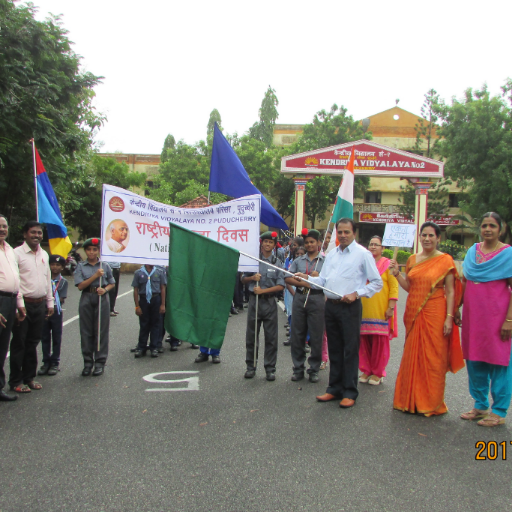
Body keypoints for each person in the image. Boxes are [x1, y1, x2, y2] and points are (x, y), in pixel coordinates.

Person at [296, 218, 382, 408]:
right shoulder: (332, 255)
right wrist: (307, 278)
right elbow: (324, 281)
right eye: (340, 232)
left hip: (350, 307)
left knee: (350, 350)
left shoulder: (363, 254)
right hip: (331, 306)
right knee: (334, 348)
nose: (343, 236)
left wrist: (356, 294)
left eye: (346, 232)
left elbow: (377, 282)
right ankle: (334, 388)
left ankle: (350, 391)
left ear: (354, 233)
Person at [390, 221, 463, 416]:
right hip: (414, 313)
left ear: (438, 238)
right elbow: (409, 287)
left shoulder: (445, 260)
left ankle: (431, 402)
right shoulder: (413, 259)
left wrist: (449, 318)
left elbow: (450, 290)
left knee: (433, 358)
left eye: (431, 235)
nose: (427, 239)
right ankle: (410, 400)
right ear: (419, 237)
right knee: (412, 355)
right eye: (424, 235)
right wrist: (397, 274)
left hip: (436, 313)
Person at [458, 212, 512, 427]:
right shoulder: (472, 251)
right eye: (484, 225)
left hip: (497, 318)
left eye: (492, 226)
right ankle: (480, 405)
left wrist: (509, 319)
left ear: (501, 229)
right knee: (474, 359)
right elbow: (465, 280)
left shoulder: (508, 254)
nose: (487, 229)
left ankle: (498, 411)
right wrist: (457, 308)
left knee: (499, 361)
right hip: (474, 317)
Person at [9, 221, 54, 394]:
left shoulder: (43, 253)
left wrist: (50, 302)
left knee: (33, 343)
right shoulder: (16, 254)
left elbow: (47, 279)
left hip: (40, 304)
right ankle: (15, 381)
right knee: (19, 342)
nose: (37, 235)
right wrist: (19, 304)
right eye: (33, 232)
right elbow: (16, 282)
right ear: (25, 234)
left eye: (39, 233)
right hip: (23, 305)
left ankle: (29, 378)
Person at [242, 231, 285, 381]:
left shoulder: (277, 262)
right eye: (265, 241)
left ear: (274, 245)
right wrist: (252, 278)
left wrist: (264, 290)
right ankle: (250, 366)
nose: (267, 244)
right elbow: (242, 279)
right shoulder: (253, 260)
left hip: (269, 302)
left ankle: (270, 368)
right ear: (261, 243)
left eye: (270, 242)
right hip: (255, 302)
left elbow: (281, 285)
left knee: (271, 337)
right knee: (252, 335)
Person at [285, 228, 325, 383]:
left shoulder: (325, 262)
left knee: (316, 336)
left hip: (317, 298)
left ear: (318, 243)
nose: (309, 245)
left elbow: (330, 281)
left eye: (312, 242)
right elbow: (287, 277)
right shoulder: (298, 261)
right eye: (307, 242)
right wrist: (306, 281)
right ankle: (298, 368)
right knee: (297, 335)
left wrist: (318, 278)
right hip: (300, 297)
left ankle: (314, 369)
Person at [358, 236, 398, 385]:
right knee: (364, 341)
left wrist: (391, 307)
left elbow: (394, 287)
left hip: (380, 310)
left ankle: (378, 372)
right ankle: (366, 370)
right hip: (363, 308)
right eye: (371, 244)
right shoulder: (364, 264)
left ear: (382, 248)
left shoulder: (388, 265)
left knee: (379, 342)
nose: (373, 247)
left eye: (376, 245)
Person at [74, 238, 115, 376]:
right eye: (89, 249)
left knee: (101, 331)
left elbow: (111, 282)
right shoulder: (81, 266)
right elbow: (80, 286)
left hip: (101, 298)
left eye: (94, 249)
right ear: (85, 251)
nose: (91, 252)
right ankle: (87, 363)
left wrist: (105, 290)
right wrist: (96, 275)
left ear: (98, 251)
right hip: (87, 297)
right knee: (86, 331)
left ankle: (99, 362)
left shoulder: (105, 265)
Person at [0, 214, 25, 401]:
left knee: (3, 346)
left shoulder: (9, 249)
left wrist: (19, 304)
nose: (2, 229)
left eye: (4, 226)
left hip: (10, 300)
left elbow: (16, 279)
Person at [38, 255, 68, 376]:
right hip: (43, 310)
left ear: (62, 267)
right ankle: (46, 361)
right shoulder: (44, 279)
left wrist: (52, 302)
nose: (55, 267)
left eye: (58, 265)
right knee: (44, 337)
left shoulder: (63, 281)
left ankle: (55, 362)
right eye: (52, 264)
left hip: (56, 311)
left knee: (56, 337)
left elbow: (62, 298)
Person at [132, 264, 166, 358]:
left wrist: (163, 304)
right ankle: (141, 347)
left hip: (156, 299)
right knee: (144, 324)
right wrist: (137, 306)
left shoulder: (159, 272)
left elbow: (163, 288)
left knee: (156, 324)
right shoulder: (138, 273)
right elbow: (135, 290)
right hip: (143, 300)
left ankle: (154, 347)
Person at [283, 237, 304, 346]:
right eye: (297, 254)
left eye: (301, 254)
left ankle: (303, 341)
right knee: (291, 314)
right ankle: (292, 336)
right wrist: (292, 292)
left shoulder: (306, 265)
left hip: (302, 293)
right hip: (291, 292)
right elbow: (286, 277)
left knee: (301, 317)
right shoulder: (290, 261)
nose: (299, 256)